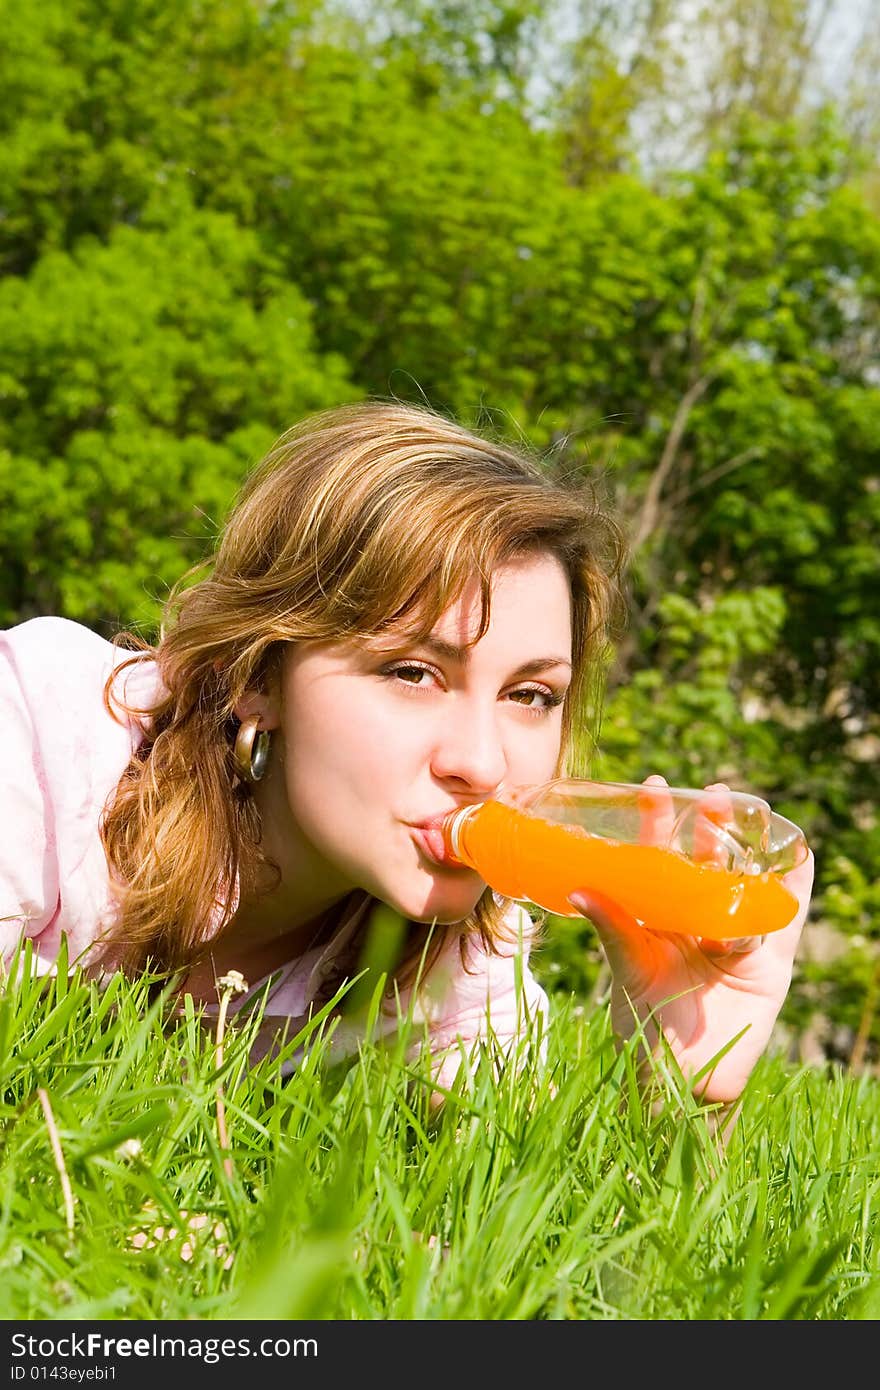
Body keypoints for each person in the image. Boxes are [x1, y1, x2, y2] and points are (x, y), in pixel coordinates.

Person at [0, 399, 813, 1110]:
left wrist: (684, 1095)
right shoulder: (41, 742)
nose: (483, 764)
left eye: (531, 696)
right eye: (414, 673)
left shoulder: (462, 966)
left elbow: (550, 1247)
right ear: (256, 675)